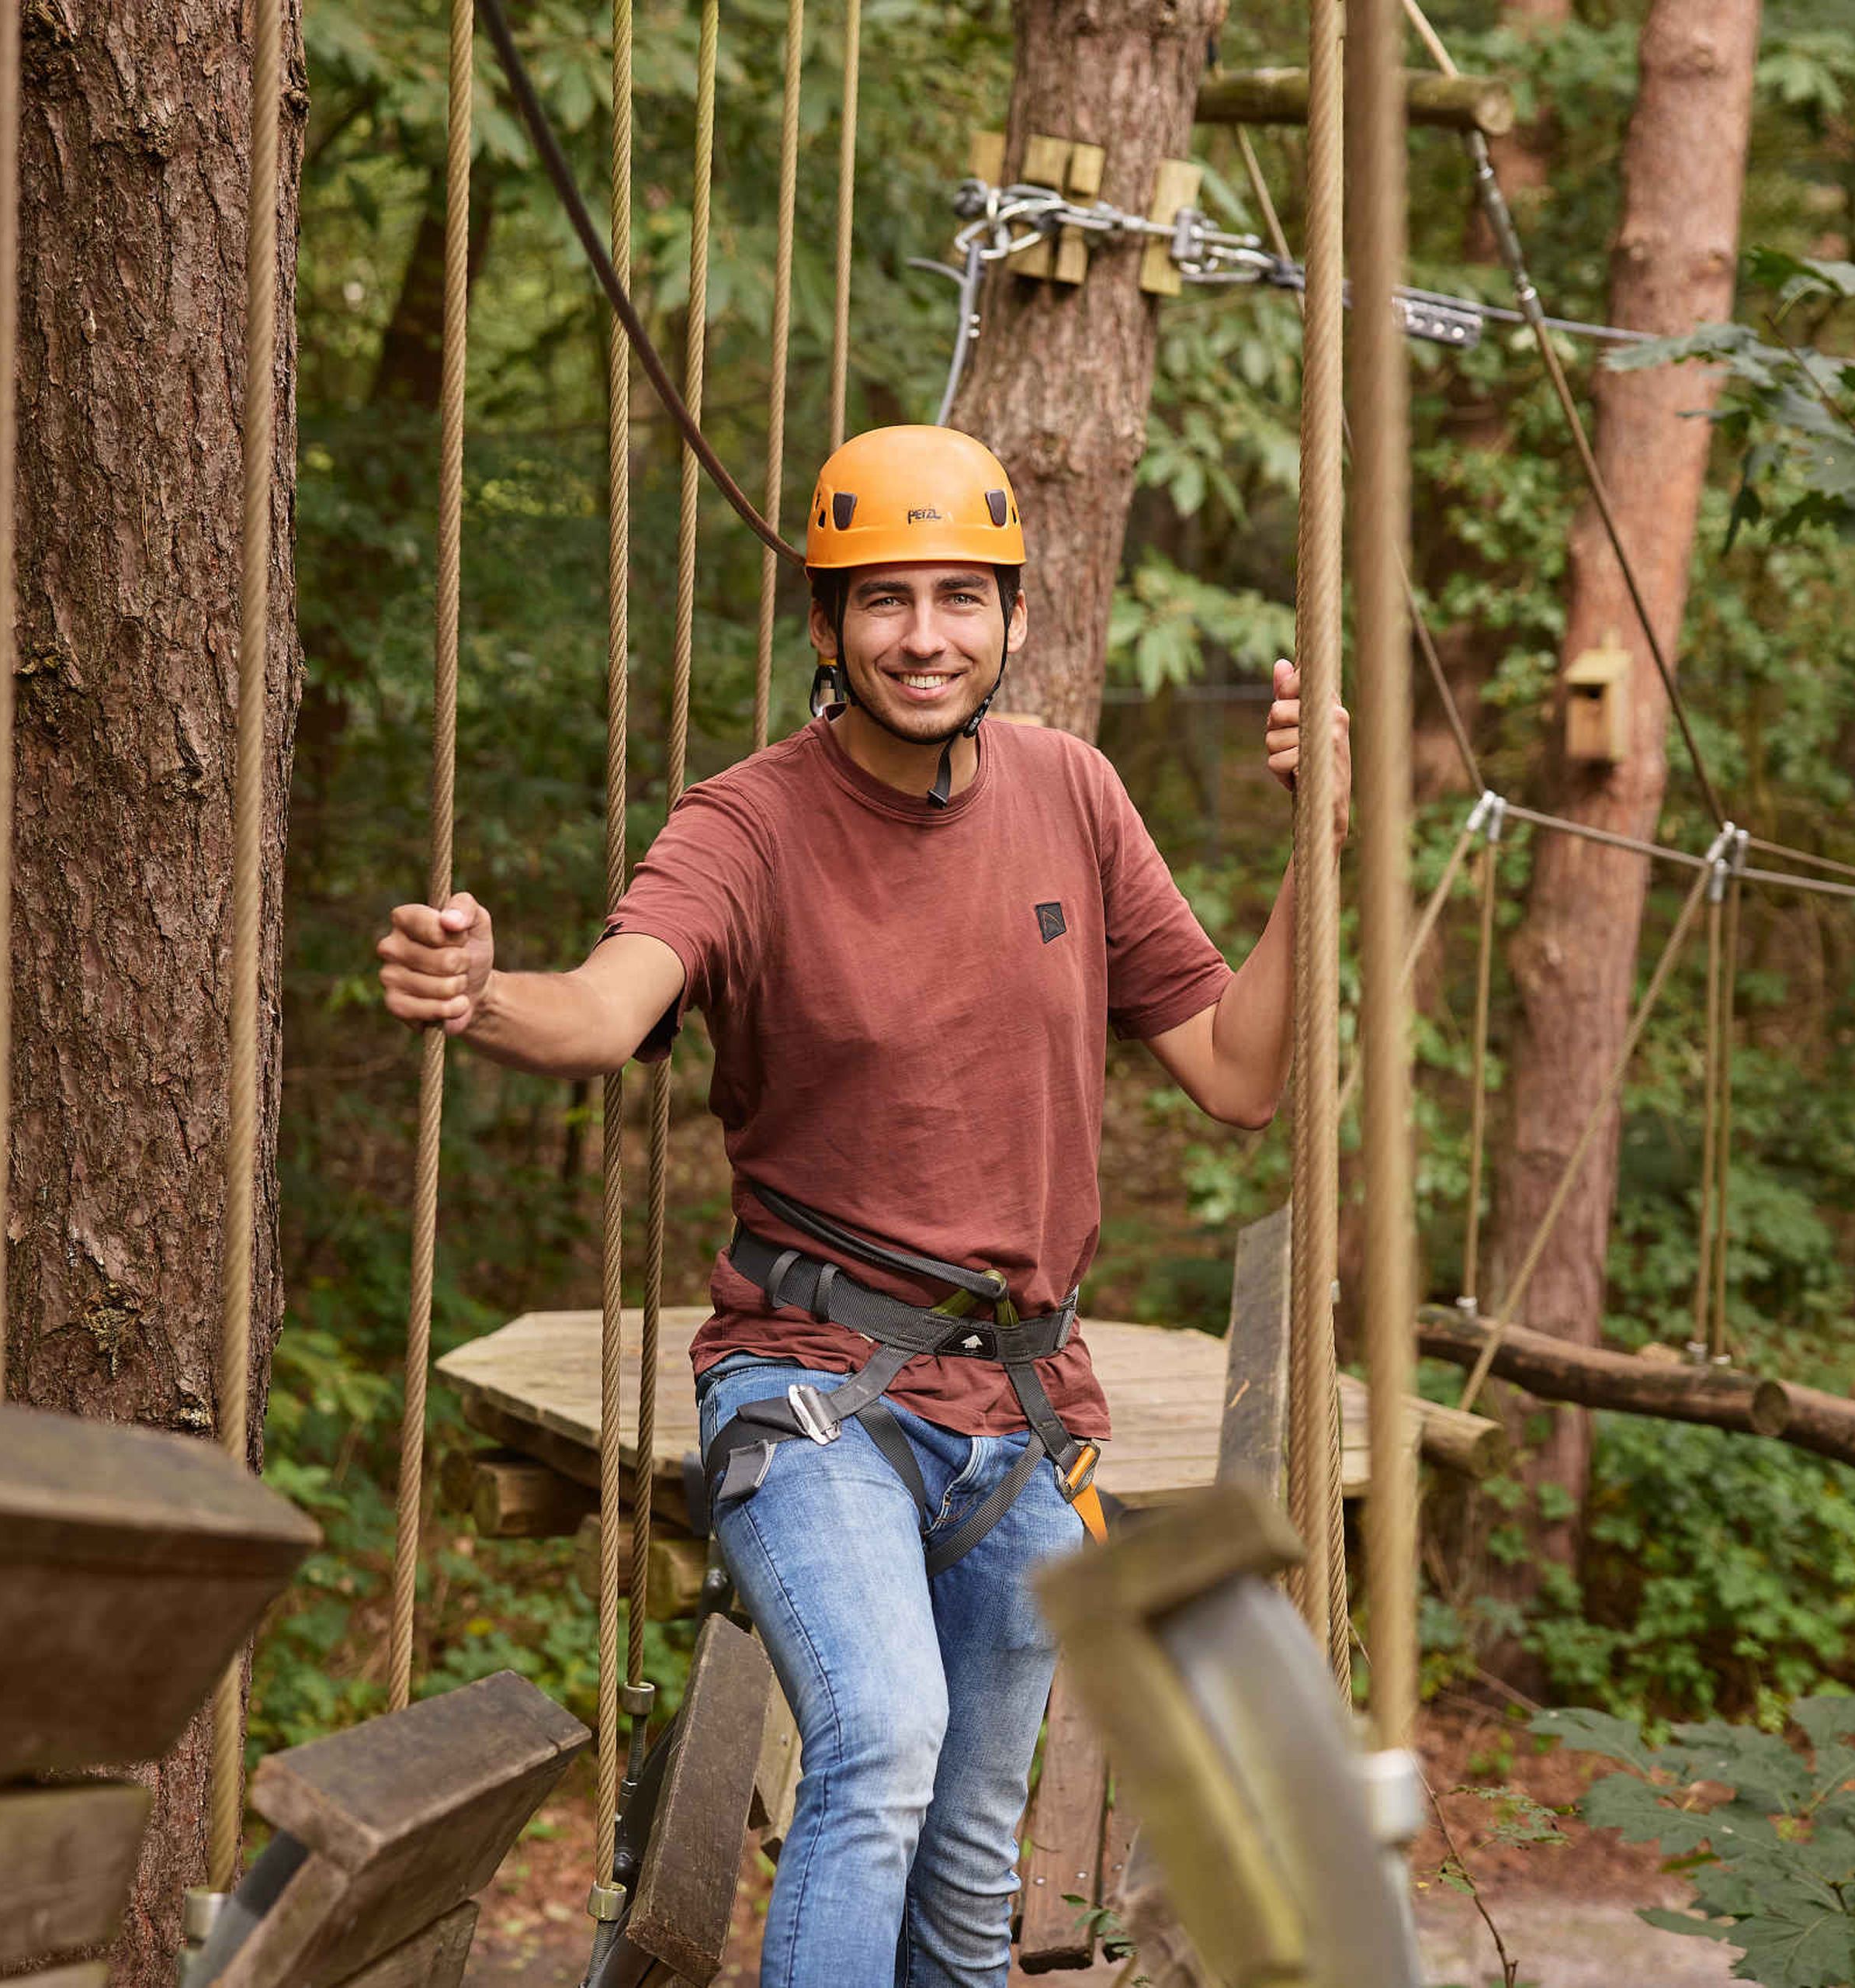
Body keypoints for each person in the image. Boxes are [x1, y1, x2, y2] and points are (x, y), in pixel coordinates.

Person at [376, 425, 1347, 1988]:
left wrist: (1320, 849)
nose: (925, 636)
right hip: (817, 1389)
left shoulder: (1071, 796)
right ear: (827, 629)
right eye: (882, 600)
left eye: (961, 597)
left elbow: (1240, 1072)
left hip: (1027, 1412)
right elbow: (604, 1014)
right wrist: (485, 994)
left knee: (969, 1872)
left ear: (1013, 619)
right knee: (884, 1741)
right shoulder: (747, 826)